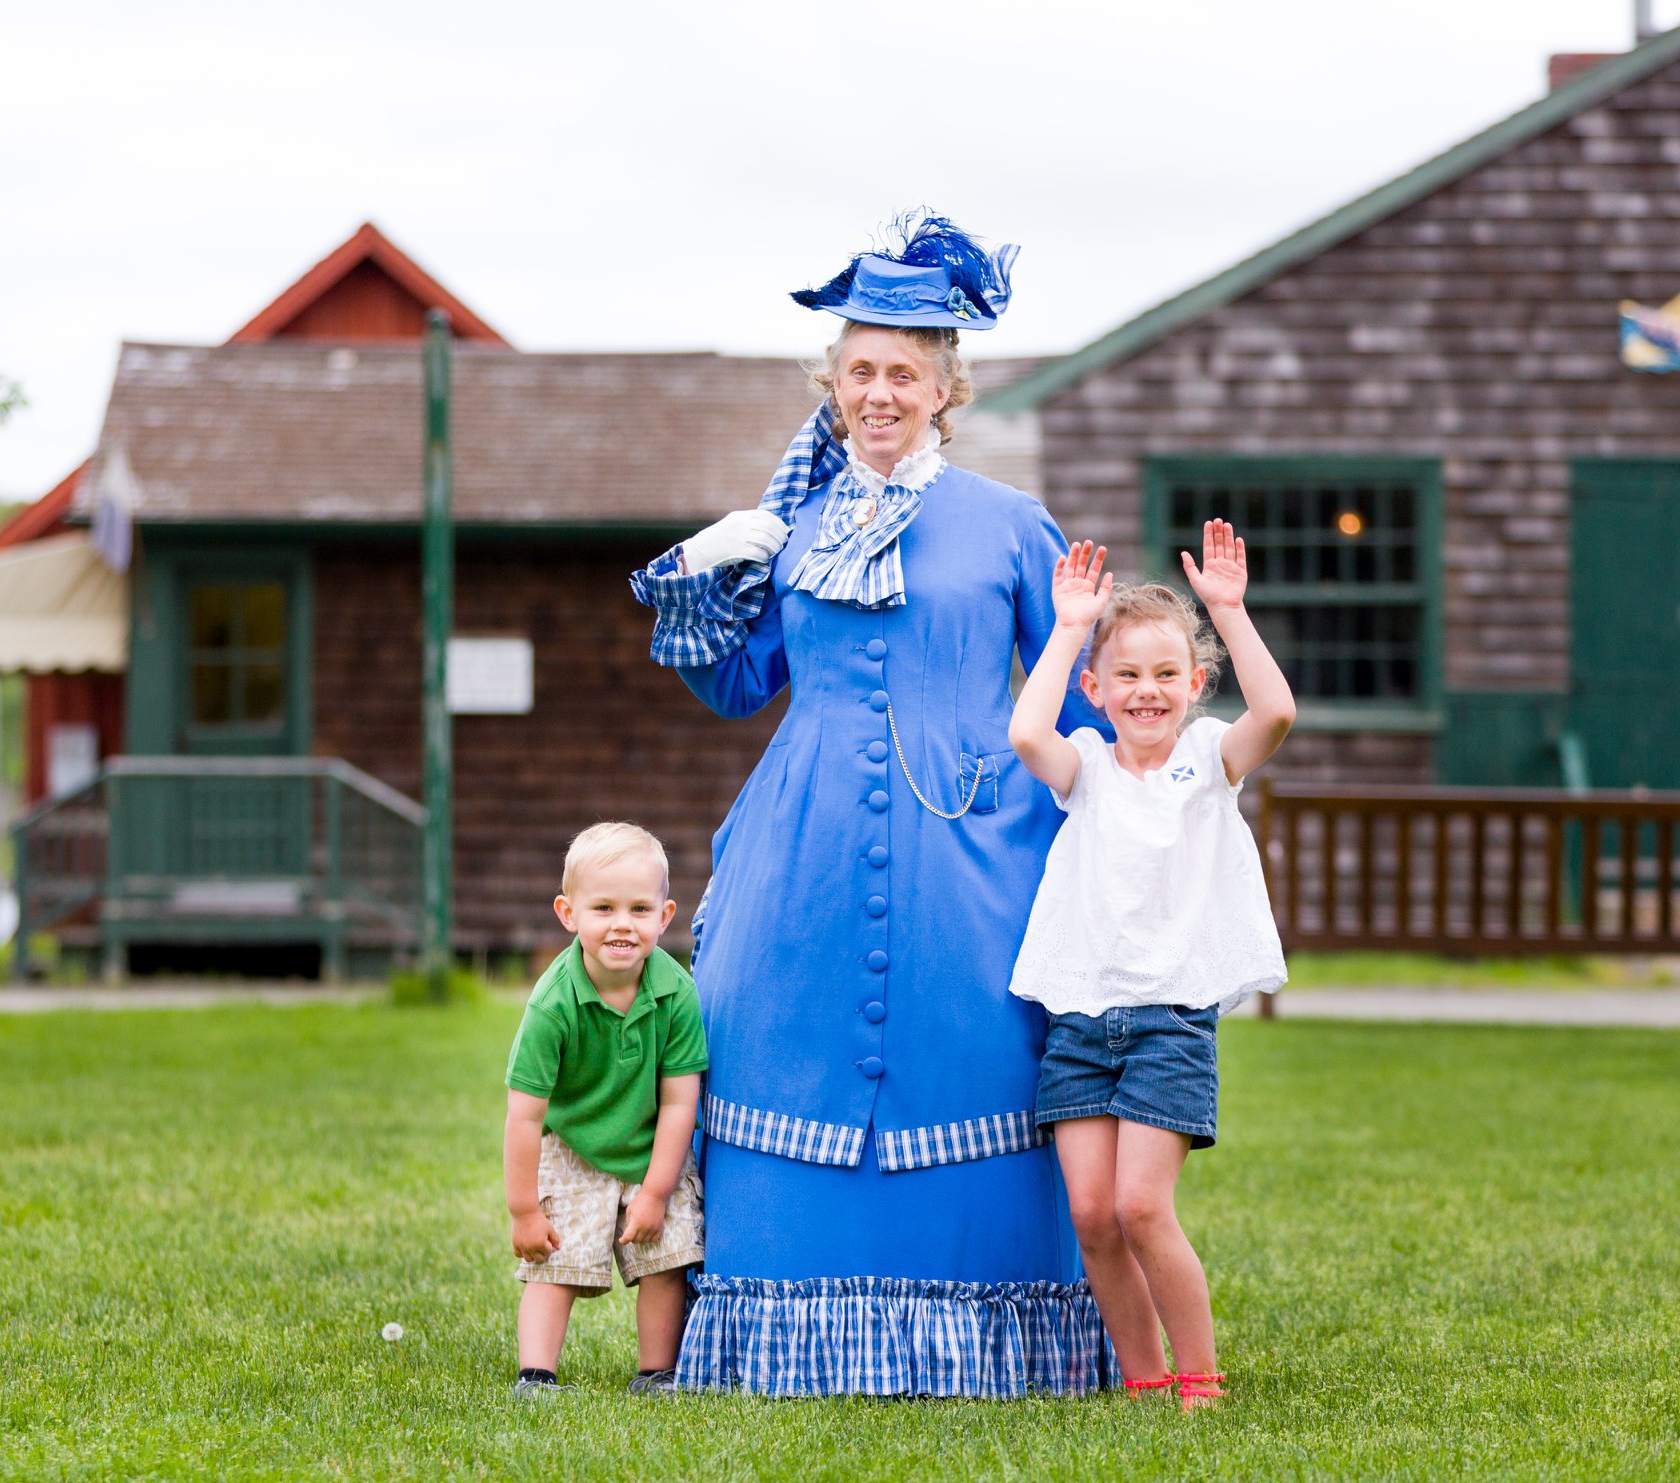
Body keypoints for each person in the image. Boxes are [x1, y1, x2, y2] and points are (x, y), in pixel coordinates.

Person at [628, 216, 1117, 1397]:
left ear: (947, 389)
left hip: (976, 844)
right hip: (801, 844)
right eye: (860, 371)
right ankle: (772, 1322)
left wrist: (1138, 817)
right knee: (768, 1038)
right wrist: (709, 567)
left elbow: (1076, 696)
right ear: (830, 385)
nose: (880, 392)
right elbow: (740, 683)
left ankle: (998, 1333)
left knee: (983, 1051)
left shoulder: (1006, 524)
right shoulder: (793, 519)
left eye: (905, 372)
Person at [1005, 523, 1295, 1410]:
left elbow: (1276, 713)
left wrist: (1230, 612)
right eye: (1126, 675)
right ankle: (1142, 1378)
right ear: (1095, 689)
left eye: (1167, 673)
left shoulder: (1212, 761)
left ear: (1196, 685)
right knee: (1092, 1214)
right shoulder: (1084, 766)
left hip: (1169, 1020)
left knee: (1139, 1205)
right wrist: (1066, 628)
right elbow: (1026, 730)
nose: (1147, 690)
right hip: (1083, 1020)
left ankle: (1199, 1379)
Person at [502, 822, 708, 1398]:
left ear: (665, 917)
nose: (623, 923)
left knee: (667, 1257)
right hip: (575, 1146)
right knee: (554, 1263)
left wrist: (656, 1191)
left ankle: (656, 1373)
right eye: (604, 908)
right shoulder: (553, 1003)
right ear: (569, 914)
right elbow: (523, 1114)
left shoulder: (677, 992)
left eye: (640, 908)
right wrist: (523, 1210)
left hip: (650, 1148)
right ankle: (536, 1375)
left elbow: (679, 1101)